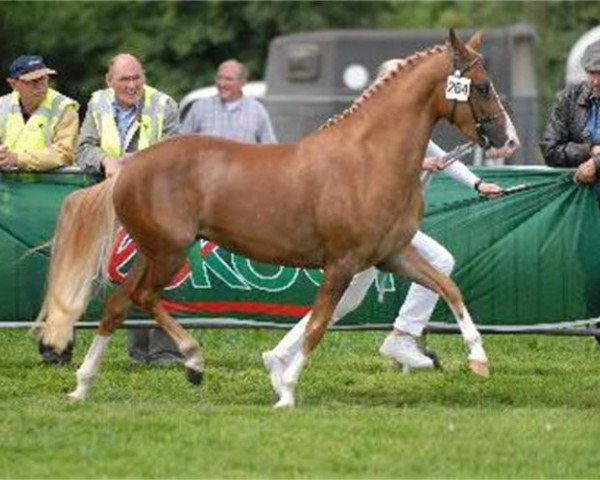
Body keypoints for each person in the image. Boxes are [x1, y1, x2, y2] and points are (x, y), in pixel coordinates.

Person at [262, 141, 505, 395]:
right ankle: (403, 335)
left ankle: (281, 353)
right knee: (441, 260)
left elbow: (445, 158)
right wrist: (419, 164)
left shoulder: (418, 128)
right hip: (378, 224)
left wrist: (478, 184)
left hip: (387, 225)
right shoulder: (386, 128)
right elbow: (370, 163)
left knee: (345, 301)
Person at [76, 52, 182, 365]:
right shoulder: (96, 105)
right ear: (109, 81)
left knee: (165, 272)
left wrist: (135, 163)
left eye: (137, 77)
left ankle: (164, 350)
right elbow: (83, 148)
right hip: (112, 202)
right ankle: (138, 350)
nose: (132, 85)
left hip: (159, 203)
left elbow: (176, 152)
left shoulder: (165, 104)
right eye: (125, 79)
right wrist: (106, 160)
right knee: (127, 273)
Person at [0, 55, 79, 172]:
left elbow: (64, 154)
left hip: (51, 185)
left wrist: (17, 159)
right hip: (8, 185)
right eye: (33, 81)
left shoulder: (64, 107)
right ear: (13, 84)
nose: (41, 86)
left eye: (44, 78)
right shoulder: (2, 105)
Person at [540, 40, 600, 192]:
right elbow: (550, 150)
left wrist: (596, 164)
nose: (595, 82)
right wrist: (589, 150)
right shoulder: (569, 99)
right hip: (581, 200)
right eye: (591, 73)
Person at [181, 59, 276, 143]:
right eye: (219, 78)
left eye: (229, 79)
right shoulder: (200, 108)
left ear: (242, 82)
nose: (222, 84)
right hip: (207, 163)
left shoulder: (257, 110)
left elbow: (270, 148)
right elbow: (182, 144)